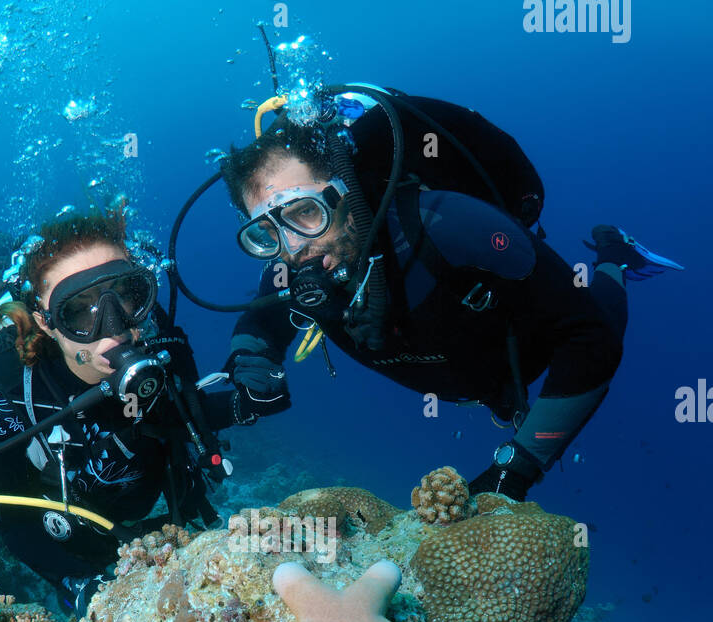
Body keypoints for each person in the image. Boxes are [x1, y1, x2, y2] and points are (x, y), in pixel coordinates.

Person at [217, 92, 682, 499]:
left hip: (528, 350)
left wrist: (518, 466)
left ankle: (614, 253)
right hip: (467, 377)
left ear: (346, 191)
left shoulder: (449, 224)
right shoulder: (292, 266)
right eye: (266, 233)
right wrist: (249, 364)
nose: (293, 247)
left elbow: (591, 338)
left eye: (305, 212)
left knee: (603, 310)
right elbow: (262, 321)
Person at [0, 208, 260, 613]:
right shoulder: (16, 397)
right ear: (46, 322)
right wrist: (76, 582)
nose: (114, 327)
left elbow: (184, 414)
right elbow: (15, 523)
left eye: (126, 294)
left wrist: (242, 403)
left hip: (168, 526)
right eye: (78, 310)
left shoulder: (160, 349)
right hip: (78, 544)